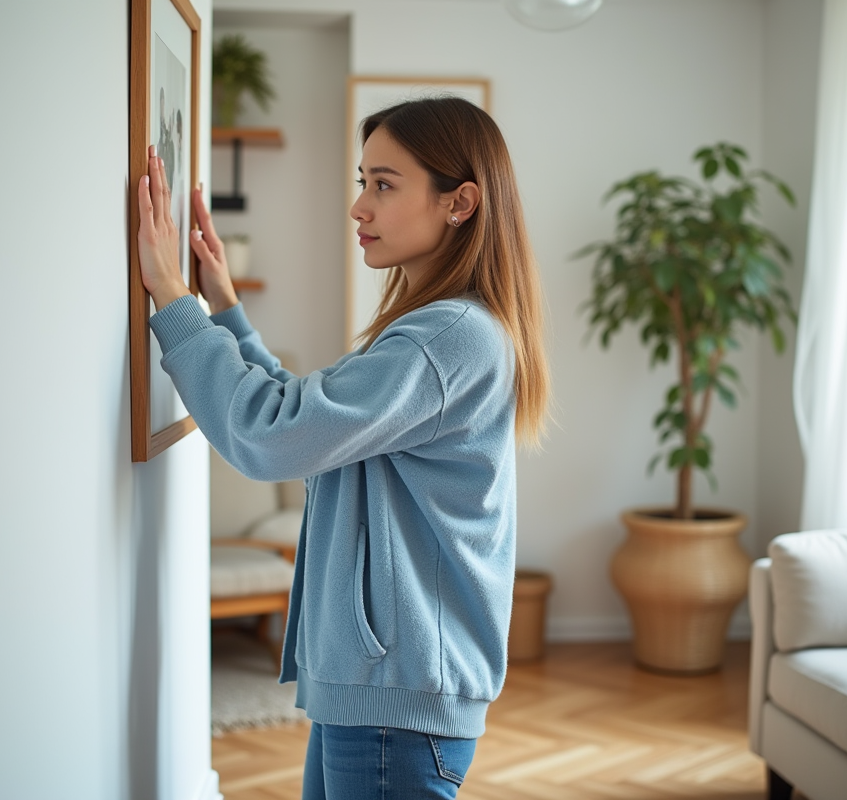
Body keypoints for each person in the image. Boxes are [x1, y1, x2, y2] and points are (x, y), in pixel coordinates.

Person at [135, 96, 549, 799]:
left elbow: (270, 437)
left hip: (397, 699)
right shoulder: (442, 330)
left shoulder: (445, 338)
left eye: (383, 185)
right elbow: (310, 428)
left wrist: (175, 304)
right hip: (379, 688)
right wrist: (226, 315)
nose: (359, 207)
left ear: (460, 203)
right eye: (363, 181)